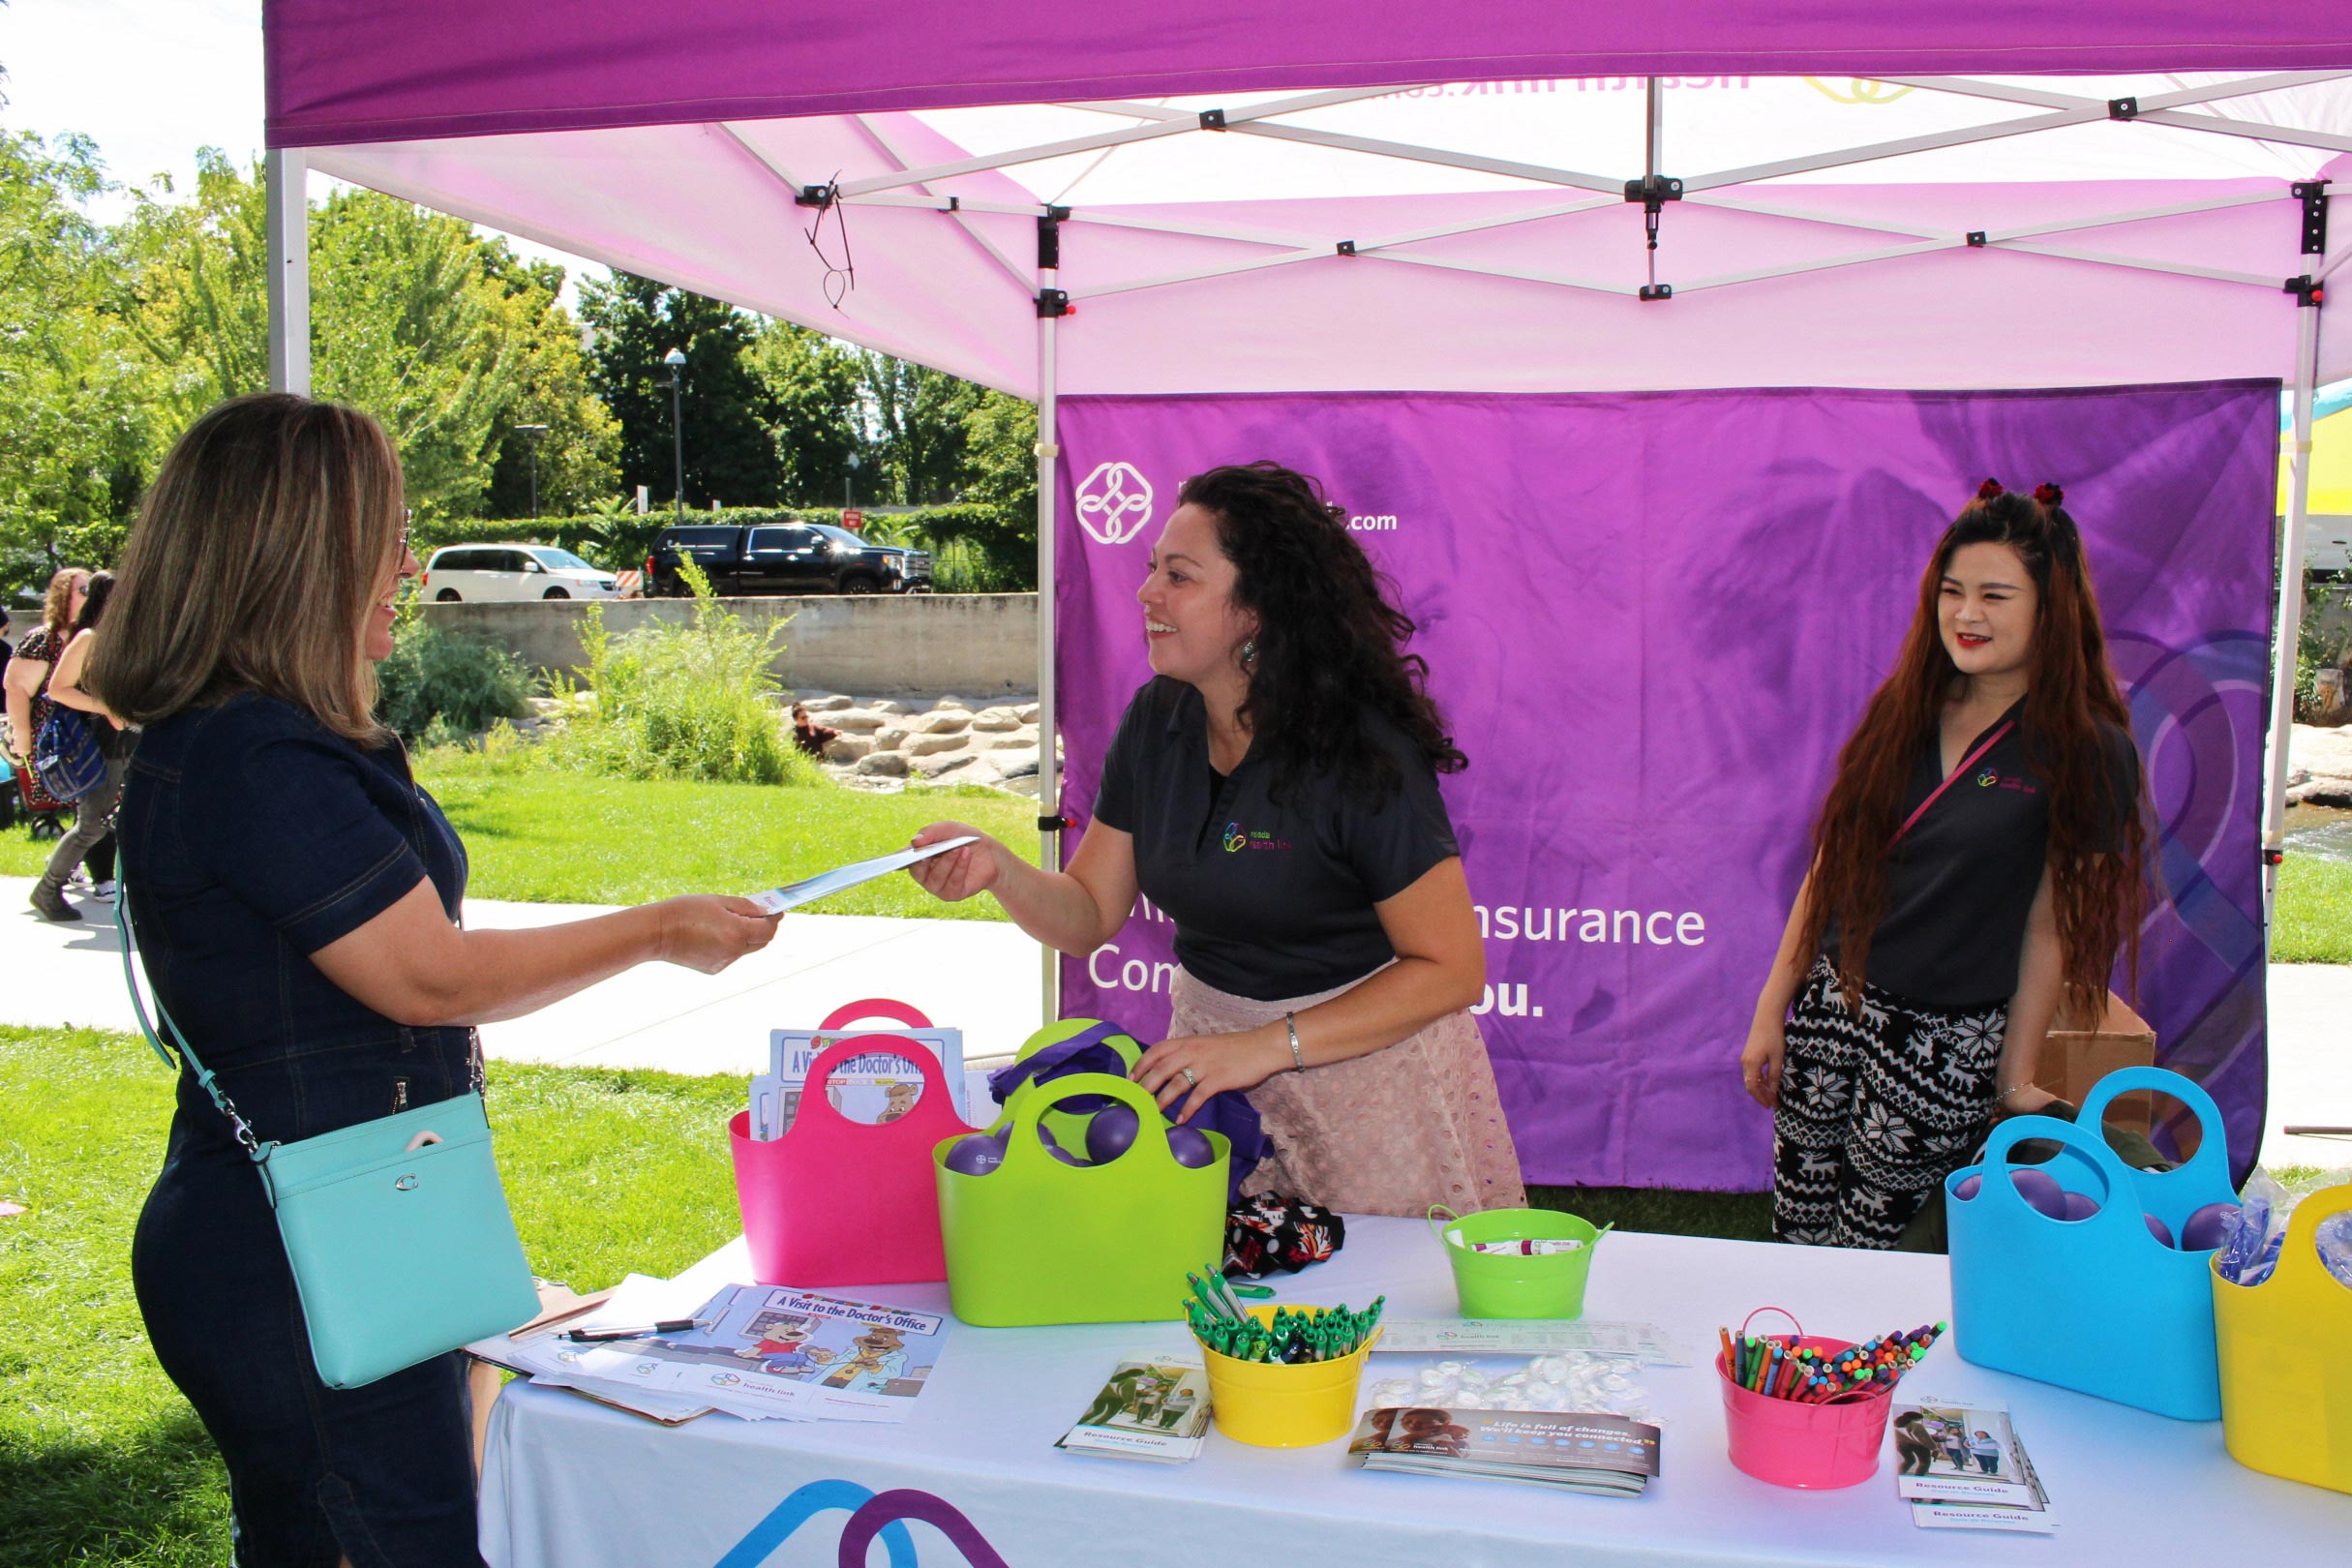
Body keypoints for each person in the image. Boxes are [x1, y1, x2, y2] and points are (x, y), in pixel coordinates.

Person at [85, 393, 780, 1568]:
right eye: (391, 536)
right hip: (300, 1256)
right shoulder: (254, 754)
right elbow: (427, 978)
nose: (409, 566)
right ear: (308, 555)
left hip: (342, 1228)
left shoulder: (249, 739)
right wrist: (659, 927)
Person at [909, 461, 1523, 1217]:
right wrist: (998, 867)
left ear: (1257, 608)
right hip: (1209, 1080)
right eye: (1150, 570)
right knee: (1213, 1318)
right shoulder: (1154, 720)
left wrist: (1263, 1047)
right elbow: (1087, 916)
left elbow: (1452, 971)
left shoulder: (1361, 751)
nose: (1147, 594)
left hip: (1372, 1089)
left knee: (1372, 1319)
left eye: (1180, 575)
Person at [1740, 480, 2148, 1250]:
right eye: (1952, 591)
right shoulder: (1907, 708)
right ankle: (1801, 1371)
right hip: (1834, 1011)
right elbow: (1833, 868)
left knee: (1884, 1252)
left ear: (2049, 609)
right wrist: (1773, 1008)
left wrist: (2013, 1078)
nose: (1966, 614)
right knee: (1798, 1238)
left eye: (1996, 595)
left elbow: (2048, 931)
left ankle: (1873, 1375)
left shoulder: (2090, 751)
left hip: (1944, 1045)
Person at [35, 570, 130, 919]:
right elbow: (58, 688)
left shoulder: (120, 639)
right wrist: (105, 707)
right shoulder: (89, 637)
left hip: (123, 742)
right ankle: (47, 888)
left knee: (119, 820)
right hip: (94, 746)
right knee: (91, 824)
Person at [4, 566, 93, 903]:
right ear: (63, 596)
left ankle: (69, 867)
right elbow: (15, 687)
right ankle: (63, 872)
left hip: (84, 735)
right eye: (82, 589)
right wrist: (22, 736)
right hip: (53, 738)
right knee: (85, 810)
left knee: (88, 810)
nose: (89, 595)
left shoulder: (88, 636)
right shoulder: (44, 638)